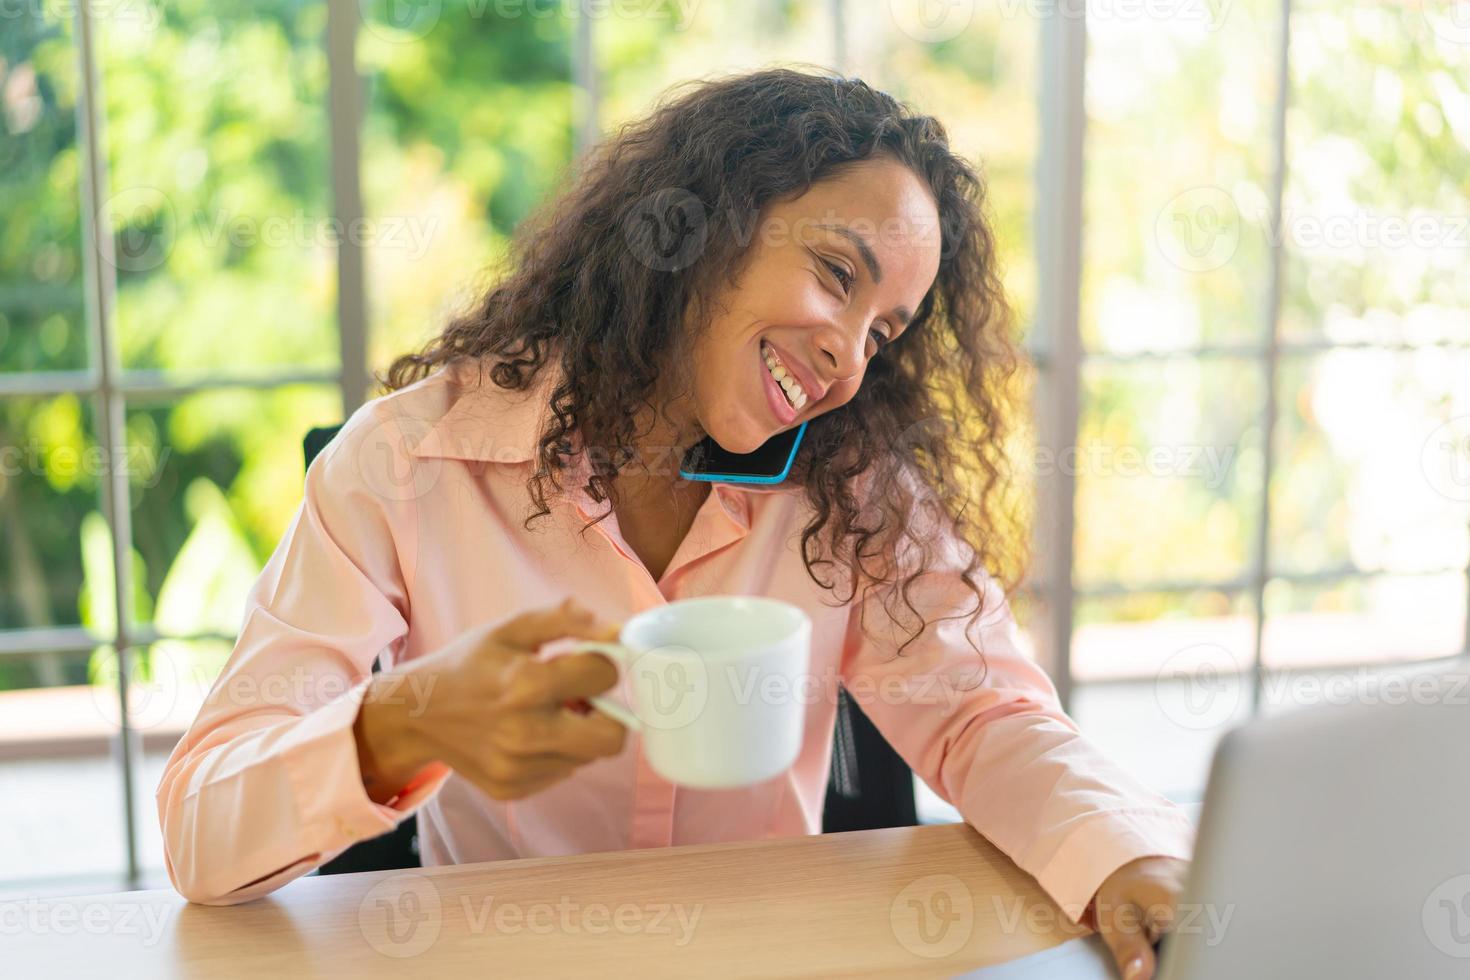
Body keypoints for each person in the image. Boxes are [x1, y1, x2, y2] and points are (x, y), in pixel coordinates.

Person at [158, 68, 1193, 979]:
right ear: (704, 227)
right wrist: (404, 718)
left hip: (771, 959)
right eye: (835, 274)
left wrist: (1123, 850)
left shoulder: (856, 487)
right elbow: (202, 829)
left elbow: (985, 717)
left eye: (884, 331)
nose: (850, 357)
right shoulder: (405, 462)